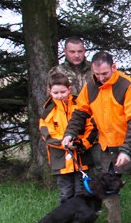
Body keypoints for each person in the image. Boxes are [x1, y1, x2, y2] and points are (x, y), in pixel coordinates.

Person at [61, 52, 131, 223]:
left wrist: (126, 150)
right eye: (97, 74)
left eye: (105, 74)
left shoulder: (129, 86)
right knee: (107, 190)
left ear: (114, 67)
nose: (100, 78)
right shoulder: (90, 87)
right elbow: (80, 113)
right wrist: (70, 133)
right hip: (108, 148)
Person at [39, 73, 96, 204]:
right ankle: (66, 222)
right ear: (49, 92)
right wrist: (64, 143)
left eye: (63, 92)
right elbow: (47, 134)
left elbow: (91, 127)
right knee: (66, 192)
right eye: (56, 93)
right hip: (60, 159)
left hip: (82, 155)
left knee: (84, 191)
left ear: (69, 89)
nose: (60, 96)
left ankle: (86, 222)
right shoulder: (47, 111)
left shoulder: (80, 104)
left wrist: (81, 143)